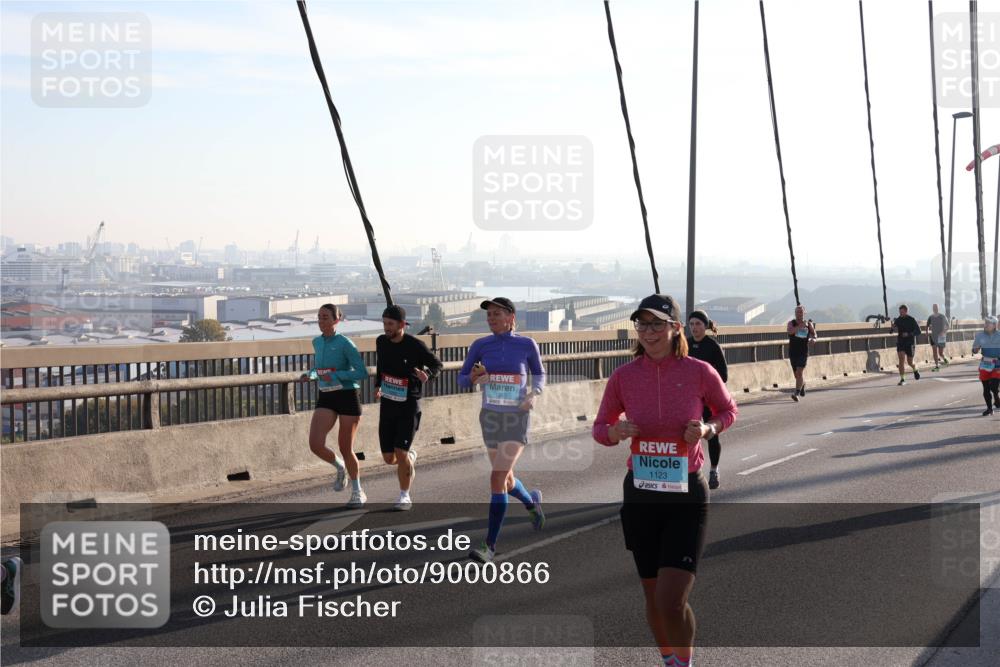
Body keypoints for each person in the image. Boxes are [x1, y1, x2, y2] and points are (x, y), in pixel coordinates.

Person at [593, 294, 737, 667]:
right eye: (642, 325)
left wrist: (707, 428)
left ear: (675, 329)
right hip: (641, 496)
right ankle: (669, 660)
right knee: (652, 597)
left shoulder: (698, 371)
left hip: (685, 495)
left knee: (671, 601)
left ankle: (684, 663)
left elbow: (728, 410)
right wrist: (617, 431)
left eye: (658, 324)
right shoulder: (624, 377)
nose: (649, 332)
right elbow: (599, 427)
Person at [458, 297, 546, 563]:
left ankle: (489, 546)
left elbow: (539, 374)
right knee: (506, 480)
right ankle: (531, 502)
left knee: (497, 478)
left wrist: (534, 393)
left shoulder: (526, 344)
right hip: (491, 418)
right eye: (489, 315)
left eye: (496, 314)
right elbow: (462, 379)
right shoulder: (480, 345)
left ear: (511, 316)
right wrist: (473, 377)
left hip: (516, 418)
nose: (491, 318)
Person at [300, 304, 369, 507]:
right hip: (327, 396)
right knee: (315, 444)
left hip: (347, 396)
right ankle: (339, 467)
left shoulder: (345, 343)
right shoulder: (317, 342)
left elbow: (362, 372)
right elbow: (319, 368)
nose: (321, 321)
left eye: (326, 318)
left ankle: (358, 491)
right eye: (319, 317)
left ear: (336, 320)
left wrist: (337, 375)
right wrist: (311, 374)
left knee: (346, 447)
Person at [375, 305, 443, 510]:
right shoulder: (381, 341)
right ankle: (409, 457)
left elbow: (437, 365)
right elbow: (381, 365)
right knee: (389, 458)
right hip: (387, 404)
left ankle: (404, 495)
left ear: (402, 325)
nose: (386, 328)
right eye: (384, 323)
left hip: (409, 405)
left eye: (390, 324)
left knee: (400, 452)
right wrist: (378, 385)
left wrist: (427, 375)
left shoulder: (416, 345)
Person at [687, 311, 728, 491]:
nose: (694, 328)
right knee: (686, 435)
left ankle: (714, 470)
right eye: (692, 324)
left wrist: (706, 385)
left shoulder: (713, 346)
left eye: (698, 324)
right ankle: (688, 473)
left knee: (711, 435)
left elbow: (724, 376)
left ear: (705, 326)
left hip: (708, 400)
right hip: (689, 400)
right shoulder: (685, 344)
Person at [786, 305, 817, 401]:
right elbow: (790, 332)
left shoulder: (809, 324)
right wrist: (800, 326)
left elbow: (814, 334)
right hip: (793, 352)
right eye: (797, 312)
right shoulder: (791, 323)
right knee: (797, 375)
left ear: (804, 313)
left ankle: (796, 393)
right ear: (795, 313)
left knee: (799, 372)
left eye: (801, 312)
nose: (799, 313)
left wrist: (814, 339)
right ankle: (802, 384)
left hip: (803, 352)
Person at [971, 316, 1000, 416]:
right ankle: (989, 409)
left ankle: (996, 397)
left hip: (997, 364)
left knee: (994, 386)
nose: (986, 324)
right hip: (985, 363)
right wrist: (975, 349)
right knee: (986, 388)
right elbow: (974, 350)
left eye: (989, 323)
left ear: (994, 325)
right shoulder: (980, 336)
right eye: (985, 322)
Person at [891, 304, 921, 385]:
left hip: (910, 342)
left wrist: (908, 334)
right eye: (900, 312)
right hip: (901, 342)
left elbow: (918, 331)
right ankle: (902, 379)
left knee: (910, 362)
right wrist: (892, 328)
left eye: (902, 312)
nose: (900, 313)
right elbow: (892, 330)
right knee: (901, 360)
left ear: (906, 311)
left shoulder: (911, 319)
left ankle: (915, 369)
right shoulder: (898, 319)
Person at [926, 304, 950, 370]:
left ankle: (944, 359)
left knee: (940, 353)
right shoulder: (930, 317)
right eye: (934, 307)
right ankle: (937, 366)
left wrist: (943, 332)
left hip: (941, 336)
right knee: (934, 351)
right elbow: (927, 325)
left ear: (938, 308)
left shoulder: (942, 316)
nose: (935, 308)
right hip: (933, 336)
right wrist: (927, 332)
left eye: (936, 307)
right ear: (932, 308)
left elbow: (948, 326)